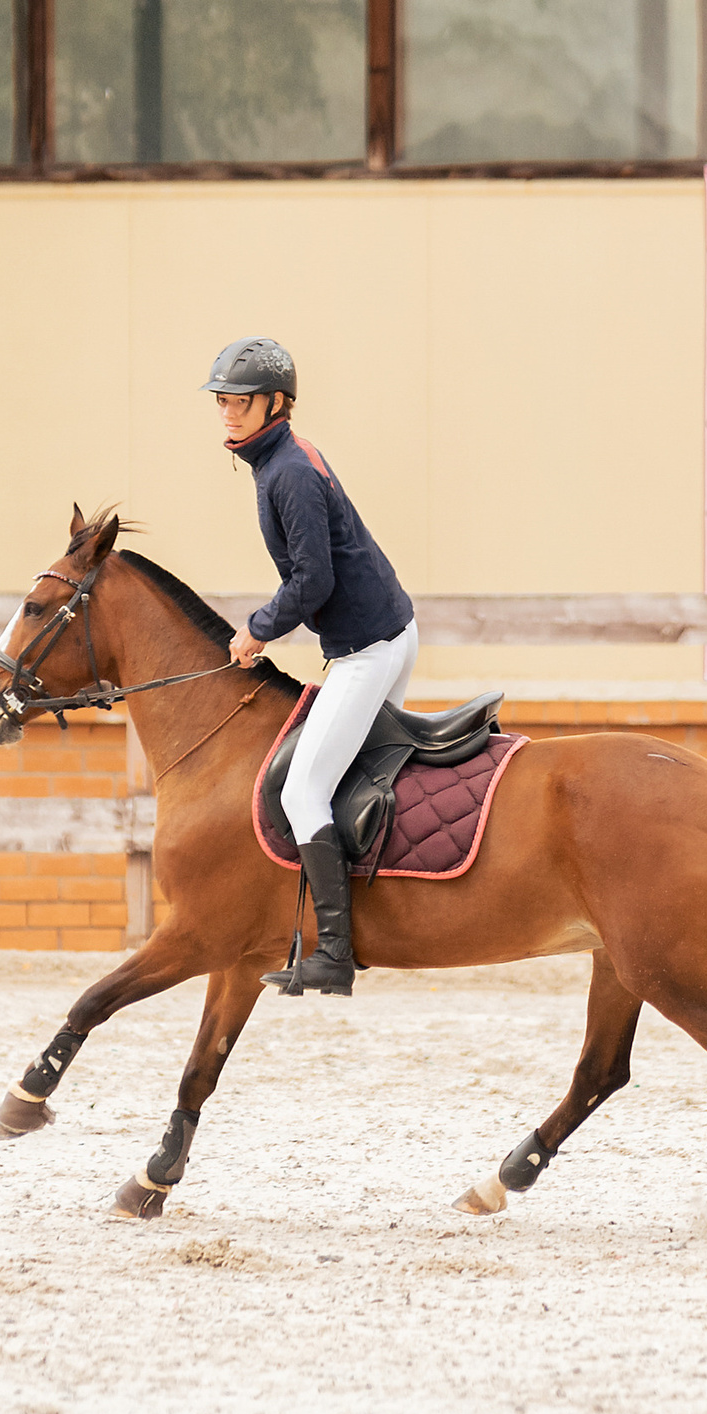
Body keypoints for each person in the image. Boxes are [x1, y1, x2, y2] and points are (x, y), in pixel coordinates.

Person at [208, 335, 417, 997]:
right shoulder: (282, 459)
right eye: (221, 401)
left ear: (276, 403)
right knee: (341, 777)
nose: (227, 412)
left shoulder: (288, 472)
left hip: (369, 651)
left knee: (303, 791)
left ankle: (334, 952)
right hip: (379, 637)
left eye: (239, 401)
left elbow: (313, 582)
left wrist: (257, 631)